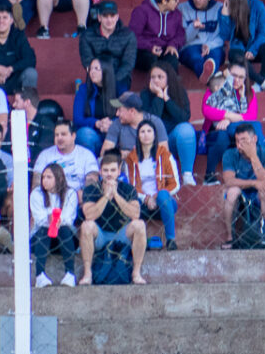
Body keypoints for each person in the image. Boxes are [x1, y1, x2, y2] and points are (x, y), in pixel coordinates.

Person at [80, 153, 148, 284]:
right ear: (100, 171)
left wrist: (116, 195)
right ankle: (87, 274)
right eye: (105, 170)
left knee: (139, 225)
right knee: (86, 225)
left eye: (112, 170)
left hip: (121, 234)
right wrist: (106, 196)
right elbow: (89, 215)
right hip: (100, 235)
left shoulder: (128, 189)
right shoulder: (91, 189)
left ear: (118, 171)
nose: (109, 174)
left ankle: (136, 273)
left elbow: (135, 214)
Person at [134, 63, 197, 184]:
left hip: (173, 139)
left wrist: (167, 99)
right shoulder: (145, 94)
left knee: (186, 129)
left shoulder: (179, 91)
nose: (156, 80)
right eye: (153, 77)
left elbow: (184, 118)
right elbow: (150, 122)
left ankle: (187, 175)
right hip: (154, 142)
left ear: (168, 78)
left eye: (160, 77)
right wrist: (158, 97)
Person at [220, 122, 265, 248]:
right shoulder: (230, 154)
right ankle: (230, 237)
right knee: (231, 192)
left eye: (244, 140)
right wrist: (254, 183)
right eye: (237, 141)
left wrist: (252, 155)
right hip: (242, 192)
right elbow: (229, 181)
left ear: (254, 139)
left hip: (260, 193)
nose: (240, 145)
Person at [128, 119, 181, 248]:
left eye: (149, 131)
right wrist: (146, 198)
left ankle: (171, 241)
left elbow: (175, 184)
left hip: (164, 203)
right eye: (142, 132)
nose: (146, 135)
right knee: (129, 203)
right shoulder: (131, 158)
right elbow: (131, 186)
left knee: (163, 195)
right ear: (138, 135)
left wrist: (155, 197)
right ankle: (137, 242)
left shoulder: (165, 155)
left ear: (155, 135)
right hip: (143, 204)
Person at [28, 162, 80, 287]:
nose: (45, 180)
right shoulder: (36, 194)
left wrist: (57, 220)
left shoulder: (70, 193)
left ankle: (70, 275)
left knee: (65, 229)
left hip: (63, 238)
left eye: (49, 177)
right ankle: (40, 275)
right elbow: (39, 218)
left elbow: (69, 217)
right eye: (43, 177)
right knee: (43, 230)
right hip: (42, 240)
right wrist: (49, 218)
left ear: (59, 178)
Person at [200, 59, 259, 167]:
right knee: (223, 136)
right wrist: (227, 116)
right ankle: (209, 174)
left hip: (238, 131)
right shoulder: (217, 88)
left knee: (252, 133)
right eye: (233, 75)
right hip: (216, 130)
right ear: (227, 74)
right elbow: (207, 110)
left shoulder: (248, 92)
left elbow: (251, 116)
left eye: (241, 77)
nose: (237, 80)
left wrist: (229, 121)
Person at [221, 0, 265, 91]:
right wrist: (225, 16)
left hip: (254, 47)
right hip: (239, 51)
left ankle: (258, 83)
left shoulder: (257, 5)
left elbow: (263, 32)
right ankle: (262, 82)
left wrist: (253, 50)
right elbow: (225, 36)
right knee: (233, 54)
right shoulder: (226, 9)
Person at [78, 0, 138, 93]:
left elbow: (128, 63)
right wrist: (100, 77)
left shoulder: (128, 35)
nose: (109, 20)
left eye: (112, 16)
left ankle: (115, 107)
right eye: (105, 16)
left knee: (118, 98)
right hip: (96, 75)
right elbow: (87, 60)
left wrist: (112, 80)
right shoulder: (87, 35)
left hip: (119, 76)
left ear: (117, 17)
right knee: (84, 93)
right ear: (99, 18)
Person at [130, 0, 187, 78]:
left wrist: (172, 44)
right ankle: (154, 88)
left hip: (164, 48)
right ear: (164, 1)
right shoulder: (142, 11)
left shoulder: (177, 14)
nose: (178, 2)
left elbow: (180, 35)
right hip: (144, 50)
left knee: (172, 59)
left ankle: (172, 89)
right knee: (151, 60)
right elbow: (132, 36)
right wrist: (150, 47)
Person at [178, 0, 228, 81]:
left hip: (213, 45)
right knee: (195, 58)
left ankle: (209, 77)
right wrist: (193, 27)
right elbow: (182, 39)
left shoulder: (220, 8)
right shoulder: (182, 8)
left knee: (214, 57)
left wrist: (209, 45)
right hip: (190, 46)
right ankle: (210, 78)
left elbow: (223, 35)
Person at [33, 120, 100, 194]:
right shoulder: (45, 155)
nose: (59, 138)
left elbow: (92, 180)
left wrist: (85, 195)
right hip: (51, 199)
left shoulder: (87, 155)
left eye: (63, 134)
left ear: (73, 136)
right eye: (56, 135)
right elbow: (36, 183)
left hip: (78, 199)